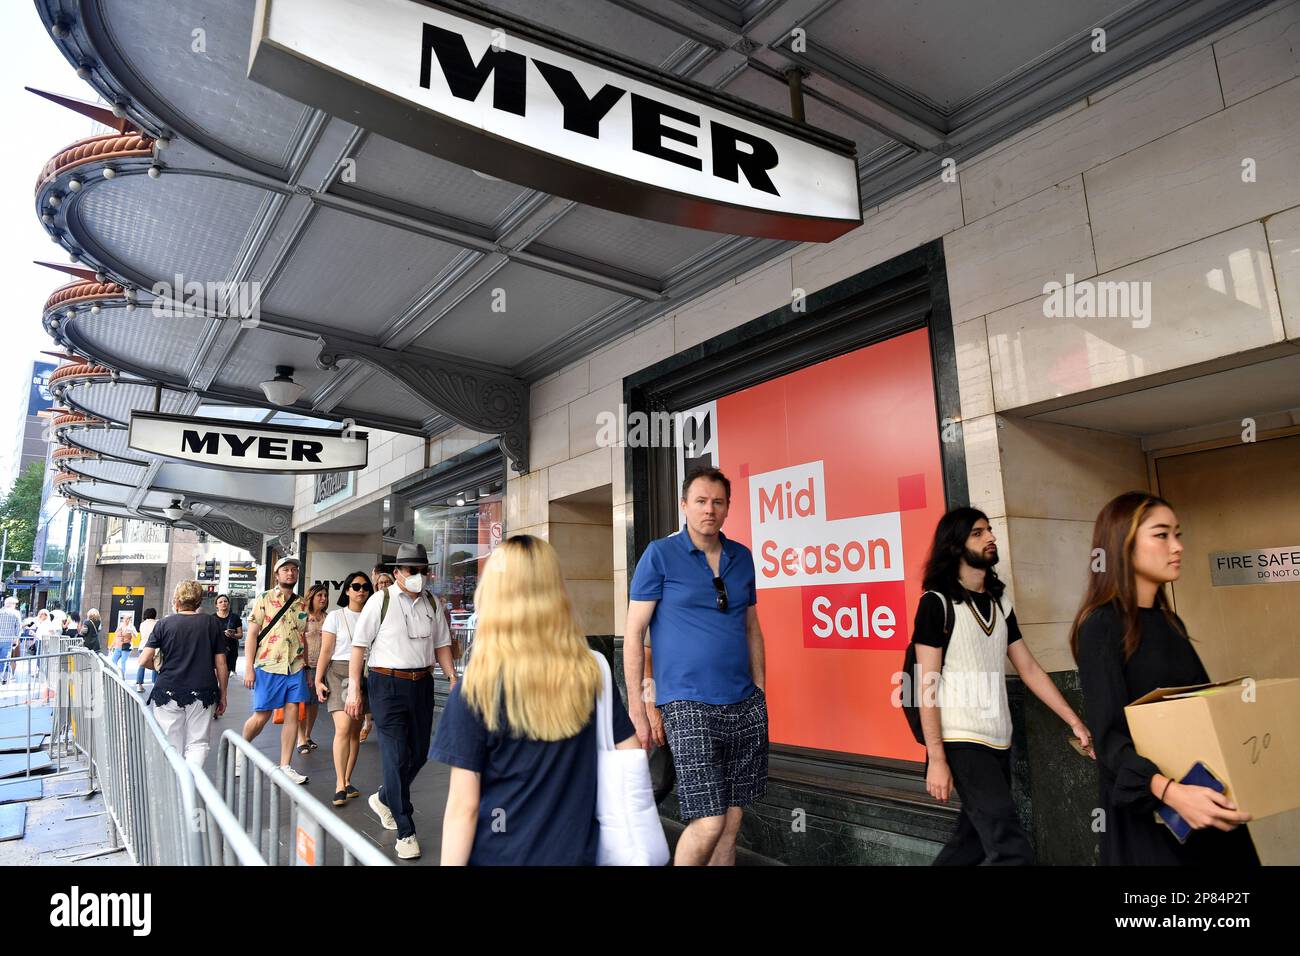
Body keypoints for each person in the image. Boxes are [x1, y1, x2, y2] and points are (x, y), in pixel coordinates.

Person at [1072, 492, 1259, 865]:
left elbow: (1203, 713)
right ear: (1122, 545)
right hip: (1151, 818)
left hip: (1202, 802)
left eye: (1179, 534)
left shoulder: (1170, 623)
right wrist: (1171, 793)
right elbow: (1110, 743)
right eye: (1161, 535)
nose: (1177, 546)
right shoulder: (1102, 627)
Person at [433, 535, 639, 865]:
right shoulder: (590, 673)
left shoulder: (476, 689)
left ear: (494, 596)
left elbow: (464, 807)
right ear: (555, 593)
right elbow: (630, 751)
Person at [912, 507, 1093, 866]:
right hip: (962, 741)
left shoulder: (1000, 603)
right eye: (978, 533)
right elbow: (926, 685)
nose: (991, 537)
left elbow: (1029, 668)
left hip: (998, 740)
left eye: (989, 530)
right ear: (955, 546)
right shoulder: (936, 604)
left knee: (972, 844)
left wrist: (1074, 720)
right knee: (1010, 849)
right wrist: (937, 758)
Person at [625, 465, 768, 866]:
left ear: (728, 508)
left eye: (718, 502)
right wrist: (639, 707)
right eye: (701, 501)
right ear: (684, 506)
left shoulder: (742, 558)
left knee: (732, 821)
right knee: (708, 820)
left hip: (744, 703)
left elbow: (751, 627)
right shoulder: (660, 555)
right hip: (687, 704)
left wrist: (760, 689)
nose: (710, 510)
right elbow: (635, 633)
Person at [345, 543, 457, 860]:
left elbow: (443, 645)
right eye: (412, 570)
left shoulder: (432, 602)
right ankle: (405, 830)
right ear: (397, 573)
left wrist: (452, 677)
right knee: (394, 755)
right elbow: (358, 647)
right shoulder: (379, 602)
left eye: (423, 570)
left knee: (420, 752)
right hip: (386, 684)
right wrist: (354, 688)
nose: (419, 576)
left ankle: (384, 796)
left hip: (421, 683)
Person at [139, 581, 228, 766]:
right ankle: (190, 783)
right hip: (203, 691)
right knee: (198, 743)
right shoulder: (211, 623)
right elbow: (221, 663)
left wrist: (159, 669)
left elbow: (144, 659)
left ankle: (176, 788)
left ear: (176, 601)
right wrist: (223, 694)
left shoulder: (164, 624)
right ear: (198, 601)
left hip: (168, 690)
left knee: (170, 743)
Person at [241, 556, 310, 784]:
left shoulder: (301, 603)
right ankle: (241, 750)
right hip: (269, 665)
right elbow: (252, 634)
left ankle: (285, 766)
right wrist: (248, 668)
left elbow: (303, 637)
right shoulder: (264, 599)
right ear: (277, 575)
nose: (291, 573)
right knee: (262, 715)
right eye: (286, 569)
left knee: (293, 714)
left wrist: (307, 666)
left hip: (296, 666)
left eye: (294, 570)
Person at [316, 572, 373, 807]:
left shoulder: (373, 616)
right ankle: (339, 784)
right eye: (355, 586)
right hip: (339, 672)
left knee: (353, 731)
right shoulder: (336, 617)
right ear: (347, 590)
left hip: (366, 673)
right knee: (343, 727)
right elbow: (326, 651)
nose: (361, 590)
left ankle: (348, 780)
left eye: (365, 587)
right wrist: (319, 679)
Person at [297, 584, 328, 755]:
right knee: (303, 702)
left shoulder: (328, 618)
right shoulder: (303, 617)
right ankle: (300, 739)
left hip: (321, 667)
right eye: (320, 595)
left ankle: (308, 735)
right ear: (311, 597)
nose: (323, 598)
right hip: (303, 666)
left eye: (325, 595)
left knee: (315, 703)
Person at [214, 594, 242, 684]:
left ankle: (222, 696)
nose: (223, 603)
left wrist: (233, 635)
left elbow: (240, 635)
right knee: (215, 677)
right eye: (220, 602)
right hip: (216, 650)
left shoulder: (235, 617)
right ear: (216, 605)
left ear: (229, 603)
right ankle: (216, 696)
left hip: (231, 650)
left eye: (225, 601)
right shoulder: (212, 618)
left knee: (224, 679)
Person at [134, 609, 159, 692]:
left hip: (142, 646)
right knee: (156, 665)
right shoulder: (157, 623)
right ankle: (155, 684)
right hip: (153, 647)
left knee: (142, 665)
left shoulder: (142, 624)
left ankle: (139, 685)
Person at [0, 597, 21, 684]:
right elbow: (18, 627)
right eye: (15, 604)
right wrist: (16, 639)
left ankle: (5, 677)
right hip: (8, 640)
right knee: (4, 659)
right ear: (12, 604)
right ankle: (3, 678)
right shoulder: (16, 613)